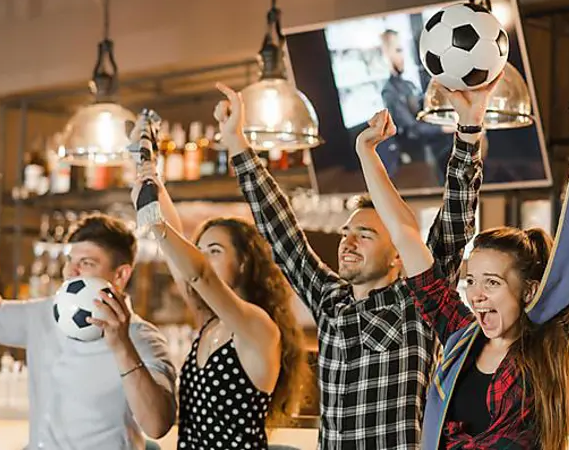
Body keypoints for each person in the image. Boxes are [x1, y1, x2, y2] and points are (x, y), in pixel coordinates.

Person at [211, 76, 499, 449]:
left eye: (365, 235)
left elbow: (457, 216)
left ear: (398, 253)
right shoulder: (330, 301)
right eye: (346, 232)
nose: (348, 241)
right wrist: (236, 142)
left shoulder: (418, 300)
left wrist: (470, 128)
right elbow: (280, 230)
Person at [355, 88, 569, 448]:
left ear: (528, 290)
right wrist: (366, 153)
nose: (476, 294)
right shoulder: (462, 335)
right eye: (471, 280)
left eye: (492, 283)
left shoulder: (553, 345)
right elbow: (405, 233)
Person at [130, 161, 310, 450]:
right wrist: (151, 180)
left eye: (214, 251)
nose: (202, 258)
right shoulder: (210, 320)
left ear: (243, 262)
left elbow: (198, 273)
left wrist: (152, 218)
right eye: (199, 250)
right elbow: (184, 261)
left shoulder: (257, 326)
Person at [0, 215, 176, 449]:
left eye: (86, 263)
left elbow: (157, 425)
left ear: (120, 275)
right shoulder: (45, 312)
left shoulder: (144, 338)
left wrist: (122, 345)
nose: (71, 272)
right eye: (69, 261)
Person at [379, 29, 452, 183]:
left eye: (402, 50)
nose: (402, 57)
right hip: (417, 161)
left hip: (432, 151)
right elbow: (412, 129)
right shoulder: (389, 91)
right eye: (397, 50)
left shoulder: (408, 85)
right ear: (386, 54)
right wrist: (447, 127)